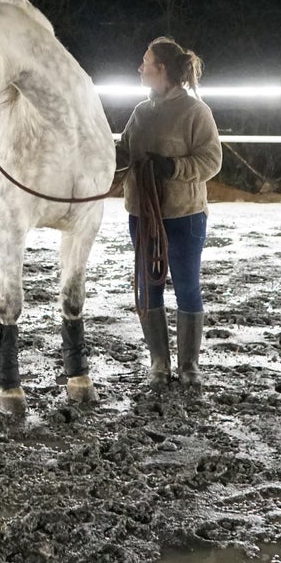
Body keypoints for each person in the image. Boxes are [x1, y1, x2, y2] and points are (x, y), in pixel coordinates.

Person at [114, 36, 222, 384]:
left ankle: (188, 366)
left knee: (187, 285)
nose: (140, 67)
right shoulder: (140, 113)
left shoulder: (195, 112)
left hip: (184, 215)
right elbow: (124, 153)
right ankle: (159, 363)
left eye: (146, 61)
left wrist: (173, 168)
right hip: (143, 215)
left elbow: (211, 160)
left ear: (161, 68)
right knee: (149, 285)